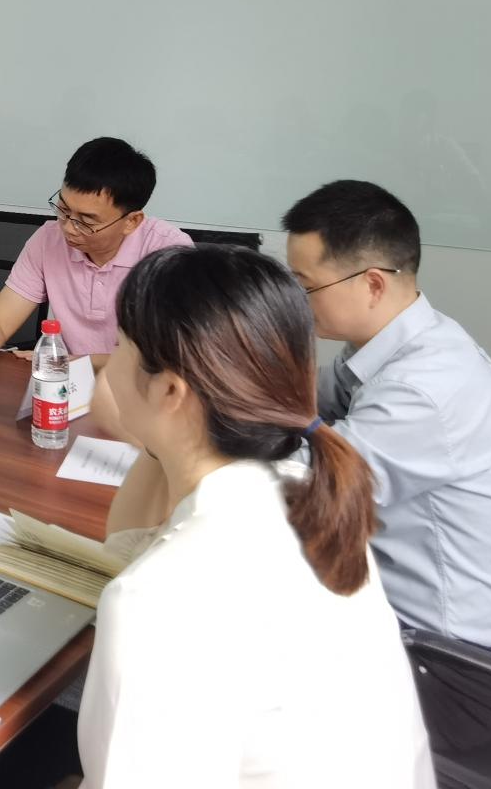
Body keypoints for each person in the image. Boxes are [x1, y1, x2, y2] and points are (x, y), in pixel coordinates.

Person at [76, 244, 433, 787]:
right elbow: (128, 544)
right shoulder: (304, 492)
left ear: (170, 389)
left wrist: (149, 423)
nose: (108, 363)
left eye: (120, 346)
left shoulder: (153, 602)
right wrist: (155, 434)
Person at [283, 180, 491, 750]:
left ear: (372, 283)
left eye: (306, 286)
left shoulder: (427, 387)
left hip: (450, 673)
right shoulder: (393, 347)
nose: (298, 301)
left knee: (226, 658)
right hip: (401, 623)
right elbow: (308, 413)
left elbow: (308, 487)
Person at [0, 137, 190, 363]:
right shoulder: (48, 239)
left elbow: (166, 356)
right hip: (65, 376)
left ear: (131, 221)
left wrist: (75, 361)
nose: (68, 228)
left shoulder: (169, 254)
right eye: (63, 209)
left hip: (135, 383)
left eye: (86, 221)